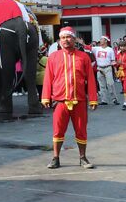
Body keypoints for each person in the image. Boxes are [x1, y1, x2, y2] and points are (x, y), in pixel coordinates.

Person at [40, 26, 98, 170]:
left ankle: (83, 158)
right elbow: (48, 78)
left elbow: (91, 79)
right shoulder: (53, 57)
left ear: (74, 39)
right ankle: (55, 158)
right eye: (63, 38)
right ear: (60, 40)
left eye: (69, 37)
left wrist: (92, 98)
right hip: (60, 101)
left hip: (79, 101)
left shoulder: (83, 57)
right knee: (58, 131)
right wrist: (46, 97)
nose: (66, 40)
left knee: (81, 130)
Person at [91, 36, 119, 105]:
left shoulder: (110, 50)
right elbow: (87, 48)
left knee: (110, 84)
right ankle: (104, 100)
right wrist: (82, 43)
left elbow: (113, 60)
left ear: (106, 41)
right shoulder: (97, 48)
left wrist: (115, 69)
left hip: (107, 68)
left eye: (101, 39)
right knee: (101, 85)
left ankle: (114, 99)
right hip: (99, 68)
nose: (100, 40)